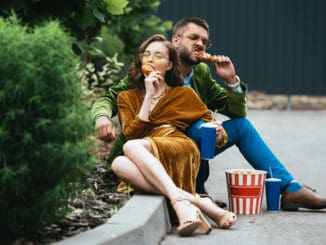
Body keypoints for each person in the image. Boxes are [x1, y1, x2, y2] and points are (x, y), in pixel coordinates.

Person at [91, 17, 326, 211]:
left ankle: (290, 188)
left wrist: (231, 81)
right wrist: (101, 116)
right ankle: (197, 192)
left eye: (204, 41)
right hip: (150, 152)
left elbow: (234, 110)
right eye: (194, 38)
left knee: (240, 126)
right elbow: (110, 98)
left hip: (187, 149)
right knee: (198, 127)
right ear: (176, 40)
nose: (201, 44)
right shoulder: (151, 67)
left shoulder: (201, 73)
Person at [111, 34, 236, 236]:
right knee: (118, 163)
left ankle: (181, 202)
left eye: (158, 56)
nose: (150, 59)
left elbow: (215, 131)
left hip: (178, 146)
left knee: (130, 149)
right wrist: (149, 95)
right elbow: (131, 135)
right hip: (146, 152)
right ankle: (192, 200)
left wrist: (219, 131)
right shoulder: (126, 97)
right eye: (146, 55)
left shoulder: (183, 94)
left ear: (169, 65)